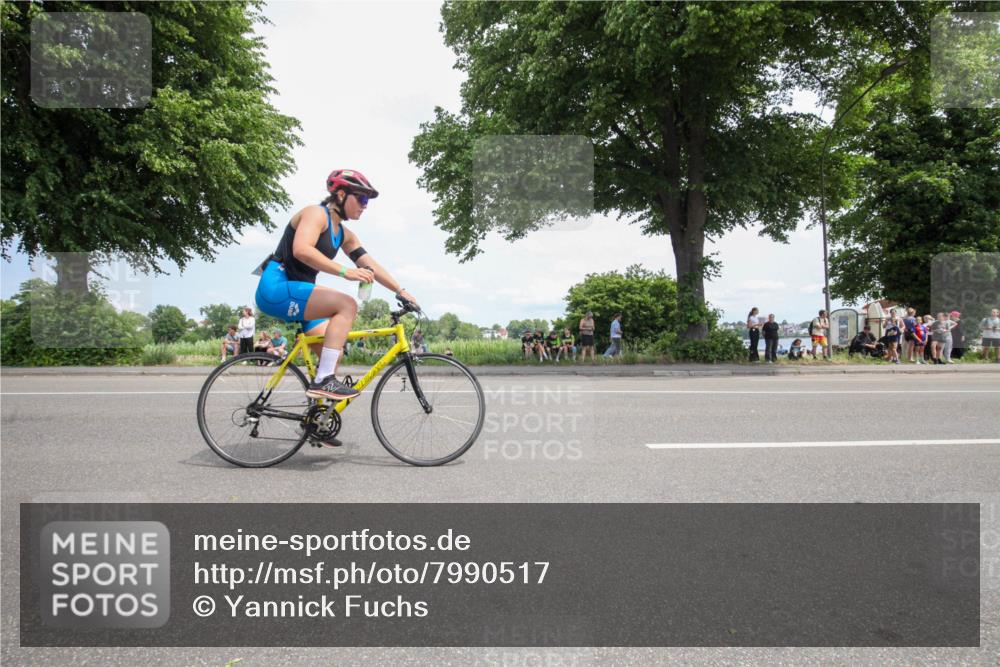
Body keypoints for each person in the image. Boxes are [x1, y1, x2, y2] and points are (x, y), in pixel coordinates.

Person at [254, 169, 419, 403]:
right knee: (347, 305)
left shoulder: (345, 235)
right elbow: (301, 250)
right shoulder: (315, 214)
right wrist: (345, 272)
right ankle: (323, 380)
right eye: (362, 199)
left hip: (300, 294)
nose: (365, 206)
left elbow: (370, 264)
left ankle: (316, 415)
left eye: (367, 202)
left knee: (334, 352)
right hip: (277, 287)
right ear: (341, 195)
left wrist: (400, 291)